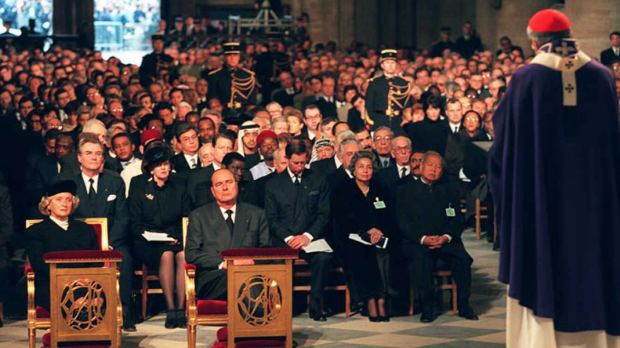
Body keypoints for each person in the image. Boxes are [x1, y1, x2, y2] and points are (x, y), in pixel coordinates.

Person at [489, 9, 620, 346]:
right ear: (570, 35)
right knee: (593, 262)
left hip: (541, 199)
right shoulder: (602, 76)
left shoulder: (525, 79)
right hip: (593, 201)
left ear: (534, 41)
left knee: (543, 261)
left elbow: (503, 145)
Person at [58, 133, 135, 331]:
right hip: (78, 242)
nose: (94, 157)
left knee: (124, 257)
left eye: (98, 153)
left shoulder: (114, 181)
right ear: (79, 157)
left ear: (103, 158)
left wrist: (108, 242)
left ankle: (124, 312)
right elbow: (65, 217)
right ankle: (76, 311)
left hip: (111, 241)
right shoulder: (67, 182)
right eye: (89, 153)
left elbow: (122, 217)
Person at [396, 152, 477, 323]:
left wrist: (446, 237)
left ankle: (464, 305)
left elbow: (456, 219)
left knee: (462, 259)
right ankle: (428, 308)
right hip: (419, 241)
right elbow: (403, 222)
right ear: (421, 166)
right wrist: (423, 238)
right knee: (421, 261)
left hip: (445, 240)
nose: (434, 170)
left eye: (438, 167)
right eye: (431, 165)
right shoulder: (406, 191)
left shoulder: (449, 190)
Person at [264, 140, 332, 321]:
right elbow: (271, 218)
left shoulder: (318, 179)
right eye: (296, 163)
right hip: (283, 240)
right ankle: (282, 309)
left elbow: (324, 213)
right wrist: (289, 238)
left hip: (311, 239)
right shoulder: (273, 184)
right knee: (277, 262)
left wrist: (307, 236)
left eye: (303, 162)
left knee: (323, 258)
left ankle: (316, 308)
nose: (300, 167)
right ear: (287, 159)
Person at [128, 143, 190, 329]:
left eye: (166, 164)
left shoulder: (179, 183)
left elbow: (187, 215)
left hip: (175, 236)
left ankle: (181, 309)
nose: (163, 168)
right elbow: (135, 221)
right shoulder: (138, 184)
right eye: (158, 164)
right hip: (147, 240)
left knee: (181, 254)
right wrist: (153, 236)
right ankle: (170, 308)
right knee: (166, 254)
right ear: (150, 168)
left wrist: (178, 236)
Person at [185, 168, 270, 300]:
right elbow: (191, 254)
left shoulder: (256, 214)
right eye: (219, 184)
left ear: (236, 185)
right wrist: (223, 263)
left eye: (229, 182)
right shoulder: (199, 216)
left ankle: (252, 316)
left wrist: (251, 261)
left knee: (248, 277)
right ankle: (256, 316)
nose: (225, 187)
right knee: (236, 276)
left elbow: (267, 251)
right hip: (214, 278)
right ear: (212, 191)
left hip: (250, 273)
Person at [332, 150, 395, 322]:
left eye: (369, 167)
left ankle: (382, 297)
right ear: (353, 169)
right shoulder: (343, 189)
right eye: (361, 167)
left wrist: (379, 230)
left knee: (384, 251)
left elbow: (390, 216)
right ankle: (370, 299)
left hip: (380, 235)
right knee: (364, 252)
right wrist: (366, 231)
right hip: (352, 237)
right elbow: (342, 220)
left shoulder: (381, 188)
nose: (365, 170)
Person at [25, 180, 99, 310]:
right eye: (59, 199)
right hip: (52, 283)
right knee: (83, 303)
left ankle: (82, 310)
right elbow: (39, 265)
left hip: (84, 283)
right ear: (48, 205)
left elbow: (96, 260)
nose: (64, 204)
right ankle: (81, 312)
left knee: (98, 295)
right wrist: (71, 279)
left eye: (68, 200)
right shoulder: (36, 231)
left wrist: (86, 278)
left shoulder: (85, 229)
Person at [365, 49, 412, 134]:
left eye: (392, 63)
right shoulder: (374, 83)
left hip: (398, 123)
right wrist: (375, 121)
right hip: (380, 122)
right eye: (387, 63)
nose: (390, 66)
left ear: (396, 65)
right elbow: (369, 106)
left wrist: (405, 119)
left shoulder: (403, 83)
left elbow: (407, 105)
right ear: (382, 65)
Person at [207, 41, 257, 112]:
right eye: (229, 55)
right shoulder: (215, 76)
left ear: (239, 57)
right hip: (222, 111)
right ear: (224, 57)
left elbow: (252, 100)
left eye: (235, 55)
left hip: (244, 112)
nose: (232, 58)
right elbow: (212, 96)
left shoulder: (248, 75)